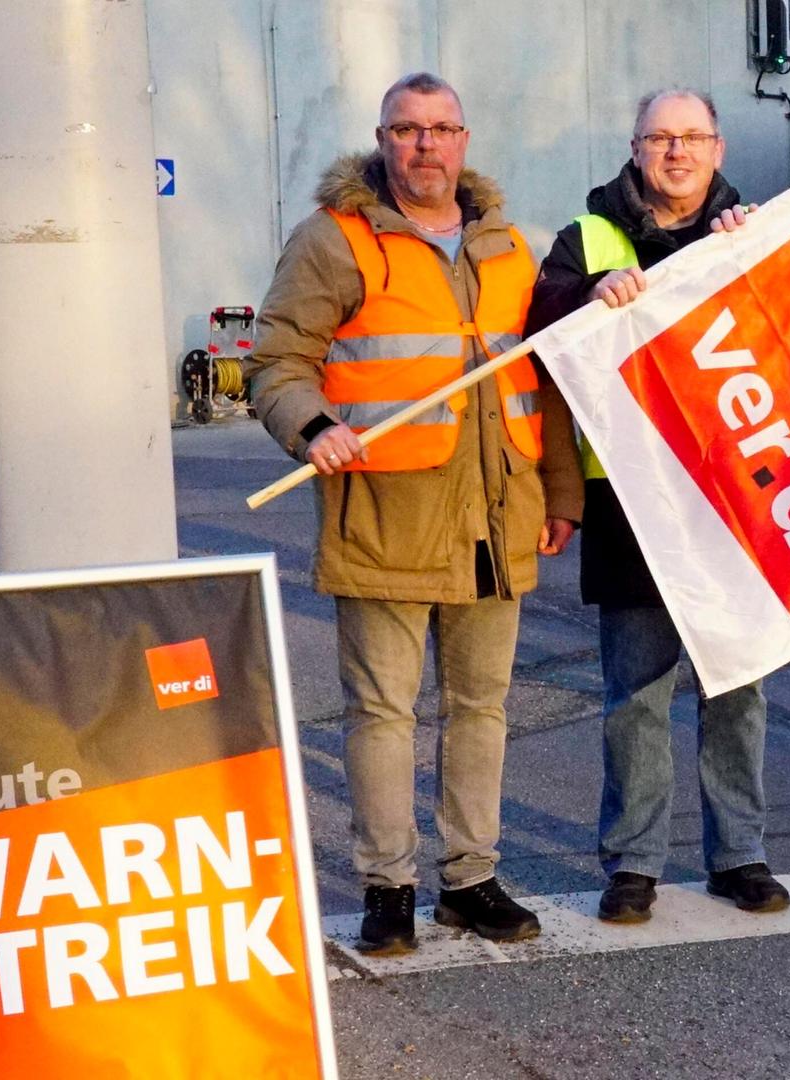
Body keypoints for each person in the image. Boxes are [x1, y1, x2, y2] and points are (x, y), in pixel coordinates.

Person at [246, 72, 582, 953]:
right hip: (385, 513)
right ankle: (388, 886)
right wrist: (310, 423)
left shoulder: (510, 247)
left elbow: (544, 381)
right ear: (382, 141)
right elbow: (277, 357)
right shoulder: (335, 240)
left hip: (494, 518)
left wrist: (560, 495)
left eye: (441, 129)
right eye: (406, 130)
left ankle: (470, 879)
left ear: (464, 141)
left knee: (481, 708)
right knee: (382, 714)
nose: (425, 146)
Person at [525, 88, 787, 924]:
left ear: (716, 148)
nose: (677, 152)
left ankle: (739, 854)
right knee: (635, 694)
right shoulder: (587, 237)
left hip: (735, 495)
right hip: (630, 499)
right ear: (635, 148)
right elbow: (539, 333)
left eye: (692, 137)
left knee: (736, 688)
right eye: (660, 138)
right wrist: (590, 293)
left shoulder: (755, 233)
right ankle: (633, 864)